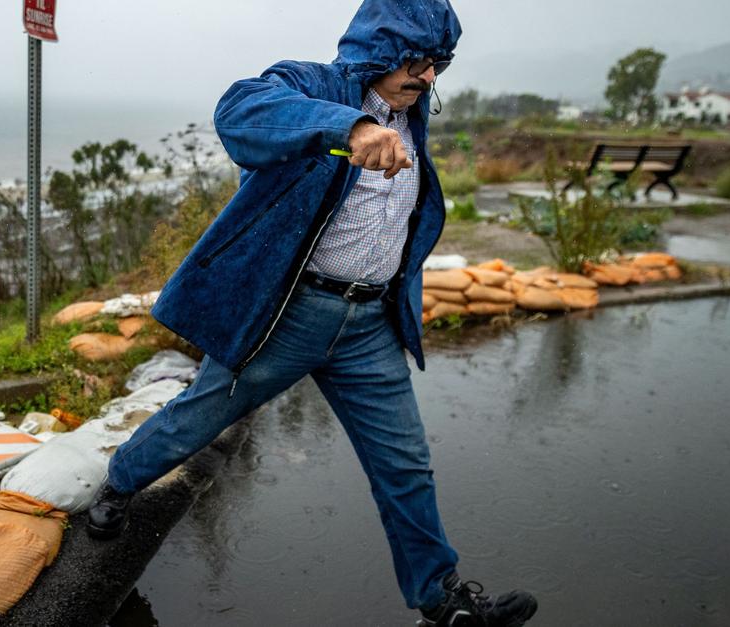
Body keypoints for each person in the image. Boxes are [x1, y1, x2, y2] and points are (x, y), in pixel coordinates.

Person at [87, 1, 538, 624]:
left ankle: (441, 602)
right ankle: (120, 482)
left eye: (438, 64)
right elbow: (239, 111)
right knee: (196, 418)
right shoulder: (312, 86)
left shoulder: (410, 114)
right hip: (290, 318)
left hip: (368, 328)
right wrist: (349, 130)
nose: (429, 76)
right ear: (379, 49)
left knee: (405, 464)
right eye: (416, 60)